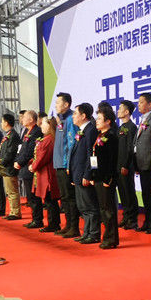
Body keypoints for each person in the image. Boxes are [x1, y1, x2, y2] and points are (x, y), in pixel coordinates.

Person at [69, 102, 101, 244]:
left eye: (75, 113)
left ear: (83, 116)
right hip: (78, 174)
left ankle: (93, 234)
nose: (73, 116)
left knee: (90, 206)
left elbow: (91, 155)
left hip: (84, 175)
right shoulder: (82, 130)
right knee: (83, 206)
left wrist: (88, 174)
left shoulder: (91, 130)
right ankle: (87, 232)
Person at [89, 103, 120, 249]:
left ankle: (111, 238)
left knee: (108, 210)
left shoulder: (111, 137)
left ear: (108, 121)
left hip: (106, 178)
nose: (97, 121)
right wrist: (93, 175)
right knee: (103, 209)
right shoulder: (99, 135)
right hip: (98, 177)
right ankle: (107, 237)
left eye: (100, 119)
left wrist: (109, 178)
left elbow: (113, 160)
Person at [133, 93, 151, 233]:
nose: (138, 104)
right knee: (145, 195)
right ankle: (147, 221)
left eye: (141, 102)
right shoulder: (144, 119)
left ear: (150, 104)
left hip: (150, 164)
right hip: (141, 163)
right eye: (138, 102)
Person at [53, 92, 79, 237]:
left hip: (66, 165)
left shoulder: (70, 119)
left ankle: (74, 227)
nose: (56, 105)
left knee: (70, 197)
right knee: (64, 197)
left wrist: (69, 164)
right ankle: (68, 225)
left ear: (66, 104)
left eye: (58, 102)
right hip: (59, 164)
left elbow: (72, 143)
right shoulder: (61, 120)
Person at [30, 116, 61, 233]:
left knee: (50, 200)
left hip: (47, 174)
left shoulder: (49, 140)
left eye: (43, 124)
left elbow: (42, 158)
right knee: (49, 200)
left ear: (49, 125)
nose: (41, 126)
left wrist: (33, 166)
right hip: (44, 173)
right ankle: (53, 223)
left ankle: (53, 224)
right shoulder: (48, 138)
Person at [14, 110, 43, 228]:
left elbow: (30, 150)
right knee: (30, 197)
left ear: (31, 119)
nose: (22, 119)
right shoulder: (27, 131)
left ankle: (38, 220)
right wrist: (17, 160)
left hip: (31, 168)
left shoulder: (36, 131)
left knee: (34, 196)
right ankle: (34, 218)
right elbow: (22, 149)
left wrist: (20, 162)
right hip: (25, 167)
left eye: (24, 117)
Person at [117, 99, 139, 230]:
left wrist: (125, 165)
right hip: (118, 165)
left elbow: (131, 149)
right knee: (122, 192)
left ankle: (132, 219)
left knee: (129, 191)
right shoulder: (120, 127)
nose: (118, 111)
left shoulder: (131, 127)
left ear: (126, 112)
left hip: (126, 166)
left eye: (120, 109)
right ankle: (126, 216)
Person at [0, 113, 22, 220]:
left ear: (6, 123)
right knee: (9, 191)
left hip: (10, 167)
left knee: (12, 190)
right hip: (6, 167)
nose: (1, 124)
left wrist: (1, 163)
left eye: (2, 121)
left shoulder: (13, 135)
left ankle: (16, 212)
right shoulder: (8, 134)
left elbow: (10, 152)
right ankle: (12, 211)